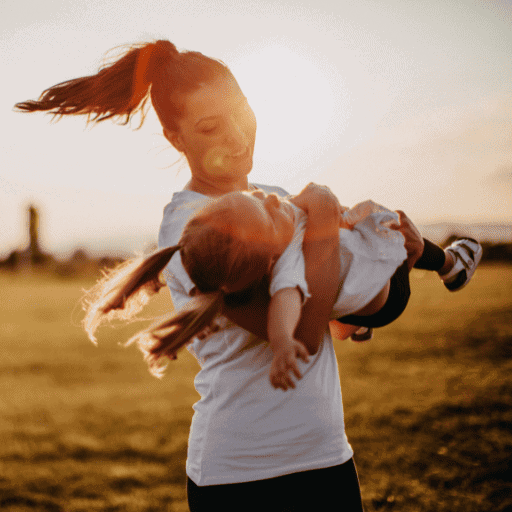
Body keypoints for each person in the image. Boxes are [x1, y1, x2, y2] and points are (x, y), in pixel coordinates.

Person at [14, 39, 436, 511]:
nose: (237, 137)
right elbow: (301, 333)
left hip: (326, 457)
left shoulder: (272, 201)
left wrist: (393, 261)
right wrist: (320, 222)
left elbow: (329, 313)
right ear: (176, 139)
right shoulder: (195, 227)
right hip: (243, 476)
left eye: (242, 112)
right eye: (211, 127)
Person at [81, 190, 481, 391]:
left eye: (256, 197)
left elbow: (311, 198)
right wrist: (283, 342)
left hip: (355, 290)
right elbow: (287, 303)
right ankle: (450, 263)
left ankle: (440, 268)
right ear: (271, 256)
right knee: (391, 227)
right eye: (268, 212)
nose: (271, 197)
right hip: (386, 295)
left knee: (363, 225)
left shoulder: (226, 261)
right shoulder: (288, 261)